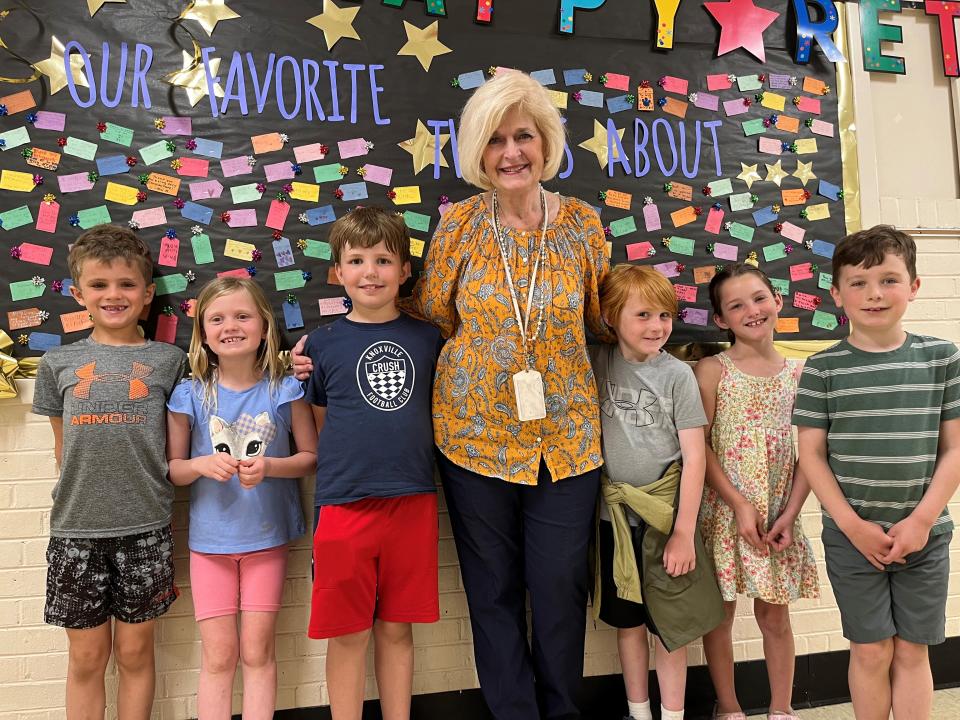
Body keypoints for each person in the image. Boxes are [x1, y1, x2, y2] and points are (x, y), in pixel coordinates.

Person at [292, 70, 611, 720]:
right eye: (495, 140)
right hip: (472, 438)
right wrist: (329, 347)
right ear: (478, 153)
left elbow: (604, 318)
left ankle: (562, 710)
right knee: (491, 591)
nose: (511, 152)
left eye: (523, 135)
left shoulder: (582, 224)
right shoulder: (461, 226)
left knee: (558, 586)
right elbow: (431, 315)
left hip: (569, 440)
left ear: (546, 142)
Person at [793, 226, 960, 720]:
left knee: (912, 650)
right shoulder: (822, 370)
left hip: (925, 534)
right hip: (852, 537)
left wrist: (922, 520)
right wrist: (852, 526)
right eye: (859, 282)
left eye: (889, 280)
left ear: (914, 286)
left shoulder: (943, 358)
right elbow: (812, 456)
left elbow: (953, 450)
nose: (874, 294)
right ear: (837, 293)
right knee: (870, 650)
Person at [31, 224, 188, 720]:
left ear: (147, 295)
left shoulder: (170, 362)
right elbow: (64, 450)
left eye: (126, 284)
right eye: (99, 285)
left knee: (137, 653)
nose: (113, 295)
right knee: (86, 657)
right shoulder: (58, 364)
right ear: (78, 293)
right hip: (77, 531)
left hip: (146, 529)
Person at [302, 207, 440, 720]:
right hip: (343, 503)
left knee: (397, 627)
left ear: (405, 270)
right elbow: (319, 421)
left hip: (412, 499)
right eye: (356, 260)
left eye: (384, 260)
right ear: (337, 271)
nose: (370, 272)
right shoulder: (321, 344)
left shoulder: (429, 339)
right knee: (347, 631)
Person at [165, 277, 316, 720]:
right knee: (218, 656)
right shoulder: (189, 394)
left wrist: (269, 466)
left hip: (266, 540)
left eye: (242, 316)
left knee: (257, 652)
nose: (230, 326)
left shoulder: (285, 390)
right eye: (217, 319)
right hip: (209, 545)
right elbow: (174, 469)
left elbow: (310, 457)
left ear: (265, 327)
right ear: (204, 334)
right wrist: (201, 466)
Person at [592, 264, 723, 720]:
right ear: (610, 317)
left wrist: (684, 531)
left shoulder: (677, 376)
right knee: (627, 625)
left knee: (671, 626)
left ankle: (672, 714)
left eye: (665, 315)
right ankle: (638, 711)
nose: (657, 326)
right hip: (615, 524)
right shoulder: (597, 361)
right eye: (643, 315)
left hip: (665, 523)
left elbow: (695, 457)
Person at [694, 264, 819, 720]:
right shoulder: (712, 371)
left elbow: (812, 451)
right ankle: (728, 707)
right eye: (736, 305)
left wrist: (791, 510)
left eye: (760, 297)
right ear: (721, 320)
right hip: (725, 512)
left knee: (774, 616)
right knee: (719, 616)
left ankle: (781, 709)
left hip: (779, 515)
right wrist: (739, 504)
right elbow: (700, 447)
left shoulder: (802, 373)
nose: (752, 310)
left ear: (779, 300)